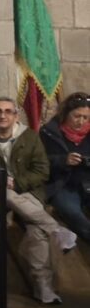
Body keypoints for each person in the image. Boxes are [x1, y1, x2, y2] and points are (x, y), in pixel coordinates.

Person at [0, 97, 76, 304]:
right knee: (6, 194)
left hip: (28, 192)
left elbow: (42, 170)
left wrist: (17, 183)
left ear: (16, 116)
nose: (3, 115)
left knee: (37, 230)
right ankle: (55, 229)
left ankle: (43, 288)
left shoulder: (30, 137)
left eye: (8, 111)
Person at [40, 91, 90, 243]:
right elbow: (40, 163)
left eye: (86, 117)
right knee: (71, 212)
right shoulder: (49, 133)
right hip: (62, 185)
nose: (81, 122)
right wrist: (63, 161)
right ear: (66, 114)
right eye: (77, 116)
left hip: (87, 182)